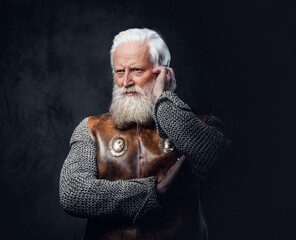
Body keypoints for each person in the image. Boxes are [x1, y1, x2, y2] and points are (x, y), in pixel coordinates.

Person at [59, 28, 230, 240]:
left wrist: (163, 100)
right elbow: (73, 194)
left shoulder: (201, 124)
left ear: (163, 72)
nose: (126, 82)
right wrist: (155, 192)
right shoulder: (91, 128)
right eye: (119, 71)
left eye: (137, 70)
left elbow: (216, 162)